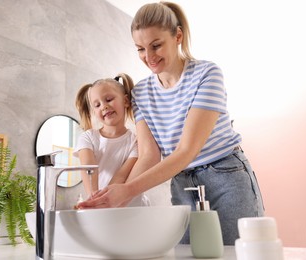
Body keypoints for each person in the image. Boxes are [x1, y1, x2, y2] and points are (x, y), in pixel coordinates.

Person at [78, 2, 264, 245]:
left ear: (177, 36)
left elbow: (187, 150)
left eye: (156, 45)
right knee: (186, 253)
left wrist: (128, 190)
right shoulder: (141, 92)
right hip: (182, 181)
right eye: (140, 49)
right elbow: (148, 155)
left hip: (225, 175)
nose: (149, 57)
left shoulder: (207, 74)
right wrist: (116, 195)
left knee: (235, 251)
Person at [73, 73, 150, 207]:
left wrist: (102, 203)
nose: (103, 106)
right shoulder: (88, 138)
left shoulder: (135, 141)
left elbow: (121, 176)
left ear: (125, 101)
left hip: (132, 208)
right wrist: (94, 198)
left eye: (108, 99)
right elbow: (89, 169)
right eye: (97, 105)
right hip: (102, 205)